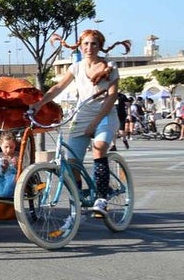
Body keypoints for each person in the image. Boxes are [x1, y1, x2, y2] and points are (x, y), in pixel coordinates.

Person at [30, 29, 129, 214]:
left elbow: (112, 97)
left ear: (100, 46)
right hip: (82, 115)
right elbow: (58, 87)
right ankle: (78, 200)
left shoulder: (110, 66)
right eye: (86, 44)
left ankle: (101, 198)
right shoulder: (76, 67)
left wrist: (95, 123)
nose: (89, 47)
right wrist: (39, 104)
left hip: (105, 115)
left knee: (99, 148)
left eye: (94, 44)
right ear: (80, 46)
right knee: (72, 162)